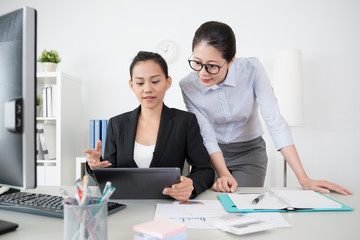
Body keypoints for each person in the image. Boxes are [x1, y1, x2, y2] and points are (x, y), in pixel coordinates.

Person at [179, 21, 352, 195]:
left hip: (249, 152)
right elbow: (206, 135)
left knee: (247, 207)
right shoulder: (188, 86)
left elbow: (274, 120)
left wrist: (303, 179)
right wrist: (223, 174)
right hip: (210, 155)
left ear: (231, 61)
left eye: (212, 66)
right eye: (197, 62)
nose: (202, 72)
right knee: (210, 209)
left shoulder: (252, 69)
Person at [85, 51, 214, 201]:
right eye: (140, 83)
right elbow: (111, 174)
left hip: (169, 207)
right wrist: (95, 167)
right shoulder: (117, 124)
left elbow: (205, 170)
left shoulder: (185, 121)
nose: (147, 89)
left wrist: (191, 184)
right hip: (126, 206)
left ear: (168, 82)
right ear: (131, 85)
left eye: (155, 81)